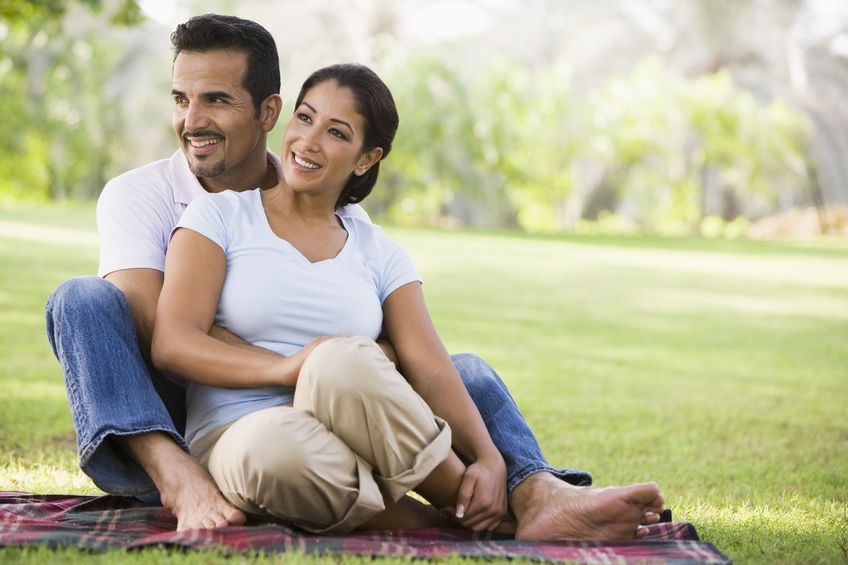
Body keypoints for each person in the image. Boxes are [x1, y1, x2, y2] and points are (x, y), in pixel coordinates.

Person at [45, 13, 665, 538]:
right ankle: (181, 476)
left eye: (215, 100)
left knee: (462, 370)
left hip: (347, 398)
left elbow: (418, 358)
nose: (192, 120)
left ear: (267, 112)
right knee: (83, 300)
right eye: (181, 99)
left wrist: (350, 363)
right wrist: (301, 363)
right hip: (178, 397)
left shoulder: (358, 231)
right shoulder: (164, 201)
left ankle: (532, 490)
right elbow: (164, 331)